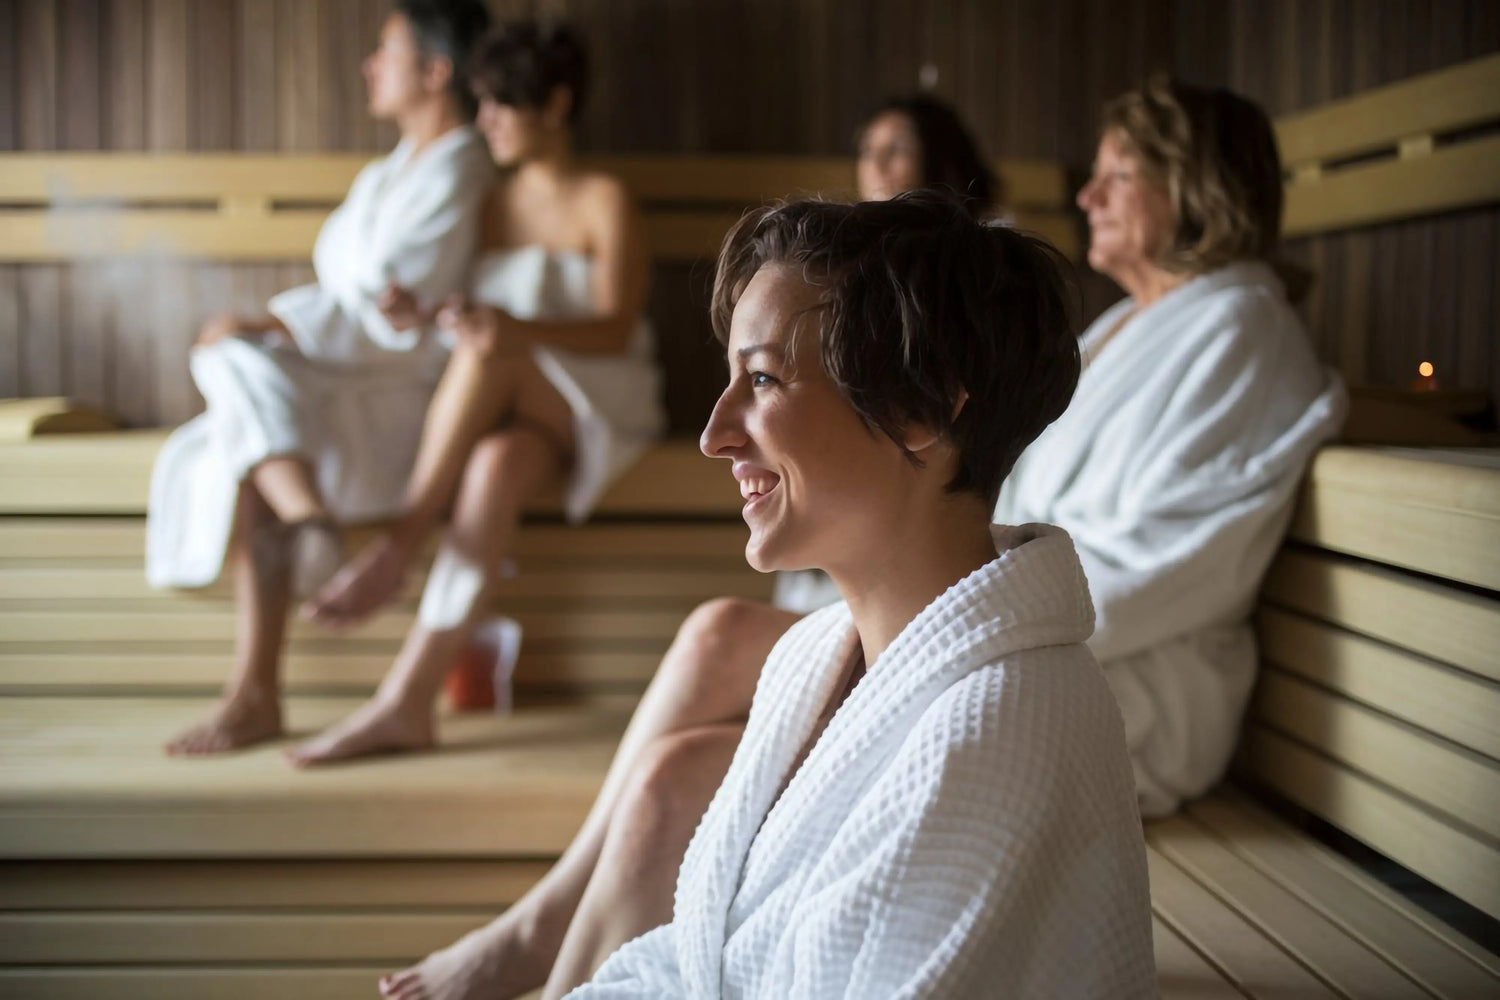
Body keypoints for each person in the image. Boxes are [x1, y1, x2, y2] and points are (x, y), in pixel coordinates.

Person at [379, 94, 1007, 1000]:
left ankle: (531, 935)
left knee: (698, 698)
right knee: (674, 767)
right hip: (892, 614)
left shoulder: (960, 340)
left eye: (758, 380)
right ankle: (540, 945)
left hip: (932, 631)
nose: (714, 434)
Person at [580, 192, 1154, 996]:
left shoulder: (997, 730)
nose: (716, 432)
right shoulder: (813, 654)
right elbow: (706, 957)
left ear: (919, 406)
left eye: (764, 378)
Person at [286, 19, 665, 766]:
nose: (485, 120)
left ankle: (400, 543)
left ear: (555, 106)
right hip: (514, 405)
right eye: (482, 102)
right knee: (491, 472)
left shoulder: (602, 200)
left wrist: (511, 330)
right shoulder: (490, 206)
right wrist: (420, 317)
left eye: (503, 105)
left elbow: (616, 331)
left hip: (598, 396)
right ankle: (407, 700)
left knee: (493, 358)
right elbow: (469, 325)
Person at [152, 0, 495, 756]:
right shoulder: (384, 176)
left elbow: (389, 311)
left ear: (436, 70)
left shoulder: (463, 166)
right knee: (226, 363)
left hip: (396, 395)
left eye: (386, 50)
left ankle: (255, 693)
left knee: (240, 403)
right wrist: (271, 329)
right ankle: (308, 519)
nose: (371, 66)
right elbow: (345, 297)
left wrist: (275, 325)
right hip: (339, 380)